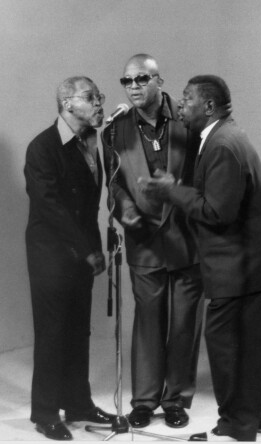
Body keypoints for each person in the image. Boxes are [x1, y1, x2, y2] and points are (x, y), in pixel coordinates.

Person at [139, 75, 261, 442]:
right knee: (246, 346)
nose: (181, 105)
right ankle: (256, 417)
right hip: (246, 266)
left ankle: (235, 426)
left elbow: (217, 212)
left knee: (228, 348)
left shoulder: (222, 145)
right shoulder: (222, 137)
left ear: (209, 106)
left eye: (187, 99)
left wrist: (172, 192)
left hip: (237, 268)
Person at [102, 54, 204, 429]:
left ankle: (175, 400)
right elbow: (114, 184)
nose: (133, 87)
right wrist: (125, 209)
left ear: (159, 80)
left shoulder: (189, 119)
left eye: (141, 79)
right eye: (126, 81)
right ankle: (144, 400)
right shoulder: (114, 130)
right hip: (143, 238)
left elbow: (207, 174)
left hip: (188, 236)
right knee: (147, 323)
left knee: (184, 323)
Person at [24, 76, 116, 441]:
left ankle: (78, 404)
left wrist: (94, 248)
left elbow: (88, 207)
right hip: (50, 255)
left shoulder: (91, 142)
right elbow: (50, 208)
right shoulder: (42, 147)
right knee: (52, 333)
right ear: (67, 103)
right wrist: (88, 249)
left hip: (81, 253)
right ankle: (44, 413)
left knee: (79, 330)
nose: (98, 102)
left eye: (99, 96)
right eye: (90, 97)